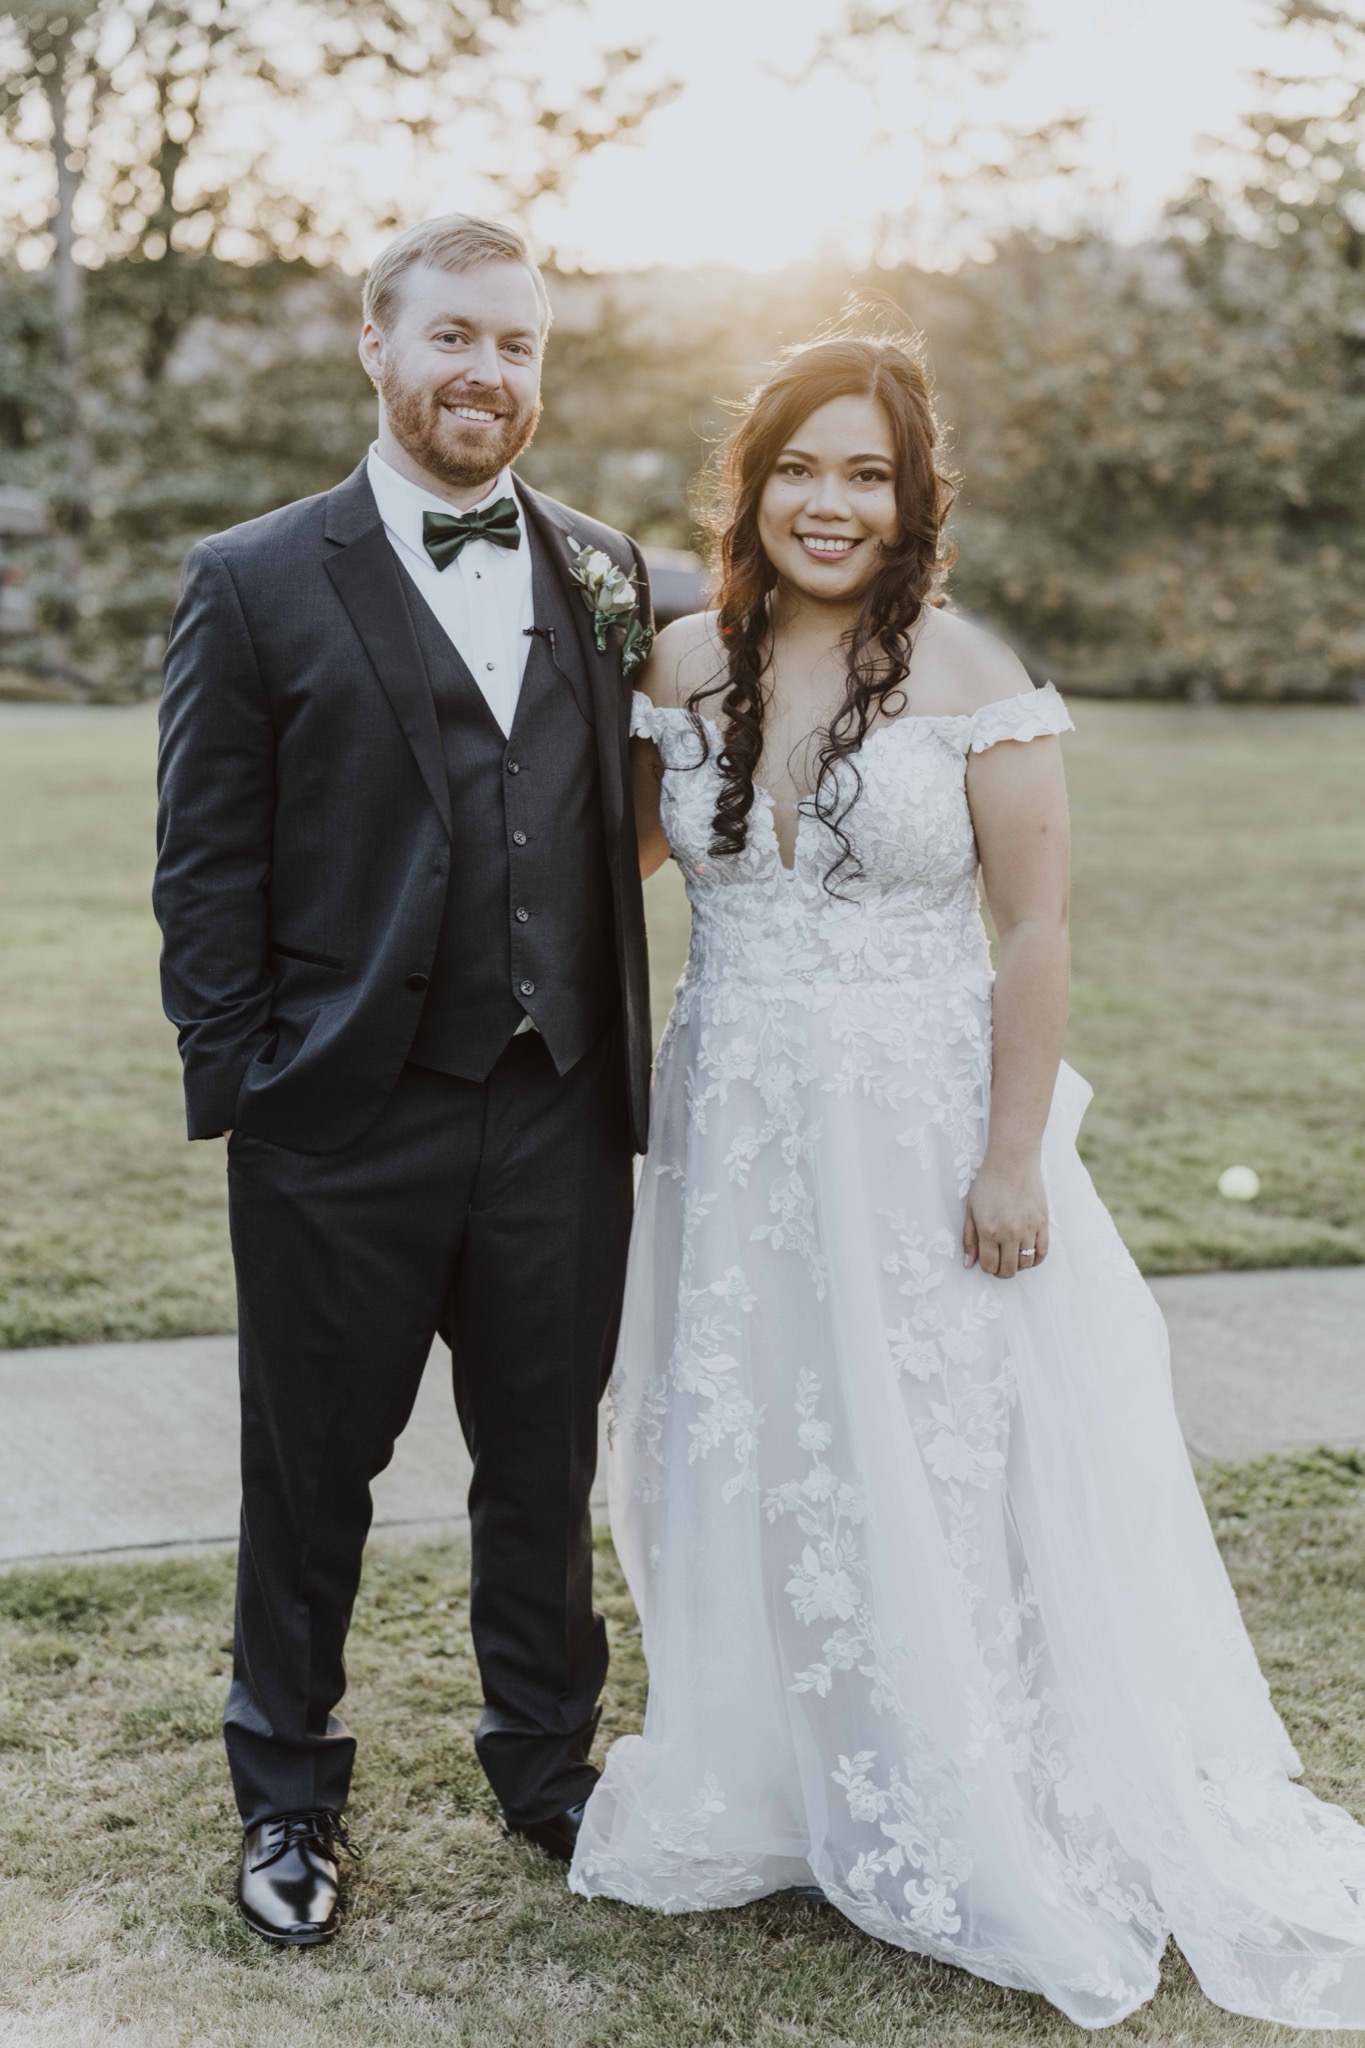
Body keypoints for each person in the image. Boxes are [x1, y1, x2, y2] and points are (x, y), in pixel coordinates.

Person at [568, 327, 1365, 2030]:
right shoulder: (679, 665)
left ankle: (963, 1773)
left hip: (923, 1131)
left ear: (912, 500)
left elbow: (1036, 931)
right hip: (737, 1129)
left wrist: (1013, 1156)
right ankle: (774, 1772)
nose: (829, 501)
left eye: (868, 473)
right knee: (757, 1434)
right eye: (800, 466)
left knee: (935, 1446)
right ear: (752, 484)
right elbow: (618, 859)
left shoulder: (968, 674)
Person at [154, 213, 654, 1946]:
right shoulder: (253, 577)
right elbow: (203, 870)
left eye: (517, 347)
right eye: (454, 336)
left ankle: (549, 1771)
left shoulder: (603, 570)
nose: (485, 375)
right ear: (374, 344)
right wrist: (253, 1085)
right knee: (309, 1482)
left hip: (560, 1108)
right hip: (335, 1120)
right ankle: (286, 1798)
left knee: (543, 1467)